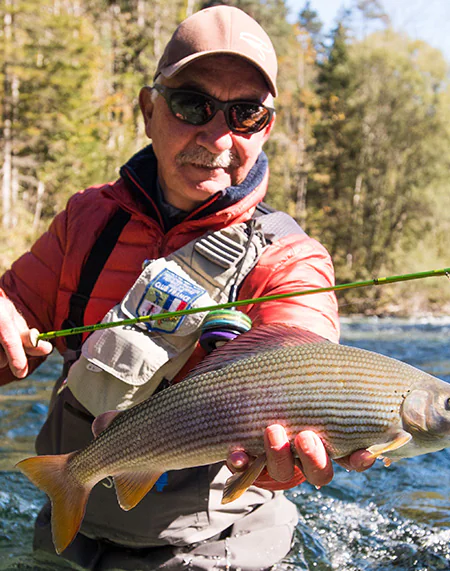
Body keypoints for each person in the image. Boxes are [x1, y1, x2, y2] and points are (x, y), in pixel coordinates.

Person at [0, 6, 374, 570]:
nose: (218, 135)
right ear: (150, 110)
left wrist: (302, 454)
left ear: (266, 125)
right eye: (192, 104)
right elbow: (8, 327)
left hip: (214, 547)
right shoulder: (85, 221)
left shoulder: (292, 260)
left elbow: (308, 352)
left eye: (245, 112)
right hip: (70, 533)